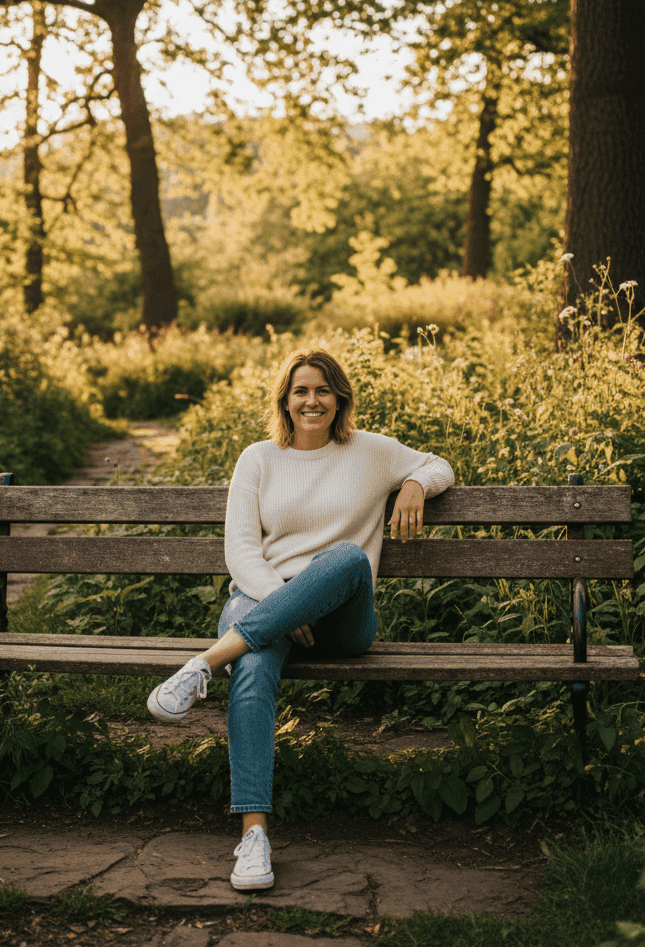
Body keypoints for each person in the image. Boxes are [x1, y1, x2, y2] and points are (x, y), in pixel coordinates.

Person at [146, 348, 455, 891]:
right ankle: (254, 834)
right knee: (254, 666)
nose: (312, 401)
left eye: (322, 390)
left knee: (347, 558)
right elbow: (241, 552)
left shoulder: (373, 452)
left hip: (340, 622)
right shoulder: (258, 458)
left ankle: (203, 665)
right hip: (265, 606)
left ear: (340, 398)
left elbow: (439, 464)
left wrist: (413, 484)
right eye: (300, 391)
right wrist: (284, 607)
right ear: (285, 401)